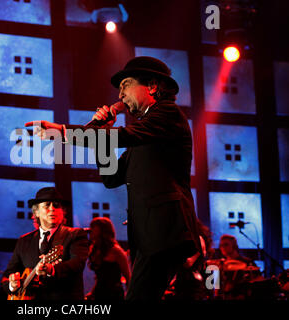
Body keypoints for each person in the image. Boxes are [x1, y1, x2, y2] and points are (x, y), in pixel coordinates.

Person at [25, 56, 202, 301]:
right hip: (150, 235)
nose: (120, 95)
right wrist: (100, 131)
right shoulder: (145, 130)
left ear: (151, 86)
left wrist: (62, 131)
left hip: (164, 231)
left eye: (126, 85)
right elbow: (112, 177)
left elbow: (123, 136)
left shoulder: (167, 114)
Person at [0, 187, 89, 300]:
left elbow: (77, 264)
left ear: (63, 212)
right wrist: (12, 285)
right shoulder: (24, 241)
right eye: (47, 205)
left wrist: (52, 269)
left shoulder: (75, 235)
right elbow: (7, 275)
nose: (52, 209)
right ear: (36, 212)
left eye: (56, 205)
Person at [85, 217, 130, 300]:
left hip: (113, 295)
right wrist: (93, 293)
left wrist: (129, 296)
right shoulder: (95, 249)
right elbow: (100, 278)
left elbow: (128, 276)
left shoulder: (116, 250)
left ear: (102, 230)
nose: (91, 230)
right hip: (100, 294)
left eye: (94, 227)